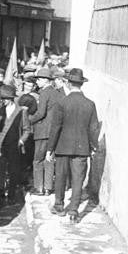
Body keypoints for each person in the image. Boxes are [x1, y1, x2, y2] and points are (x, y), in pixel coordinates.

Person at [48, 68, 99, 223]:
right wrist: (93, 147)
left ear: (69, 84)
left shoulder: (62, 103)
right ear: (81, 84)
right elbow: (93, 128)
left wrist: (50, 148)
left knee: (61, 177)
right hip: (81, 148)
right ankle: (73, 211)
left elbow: (55, 127)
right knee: (78, 180)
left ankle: (59, 205)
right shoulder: (90, 104)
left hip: (62, 147)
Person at [0, 85, 31, 204]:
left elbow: (27, 130)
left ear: (12, 98)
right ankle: (0, 194)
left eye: (7, 98)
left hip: (14, 146)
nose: (4, 101)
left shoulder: (21, 111)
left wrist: (21, 141)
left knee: (14, 171)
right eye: (3, 98)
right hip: (0, 145)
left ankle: (12, 194)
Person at [28, 68, 63, 196]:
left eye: (39, 79)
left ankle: (39, 188)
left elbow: (41, 113)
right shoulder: (57, 93)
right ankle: (48, 187)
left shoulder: (44, 93)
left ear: (45, 80)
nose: (37, 82)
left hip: (42, 131)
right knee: (49, 159)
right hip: (53, 132)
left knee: (38, 160)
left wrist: (29, 120)